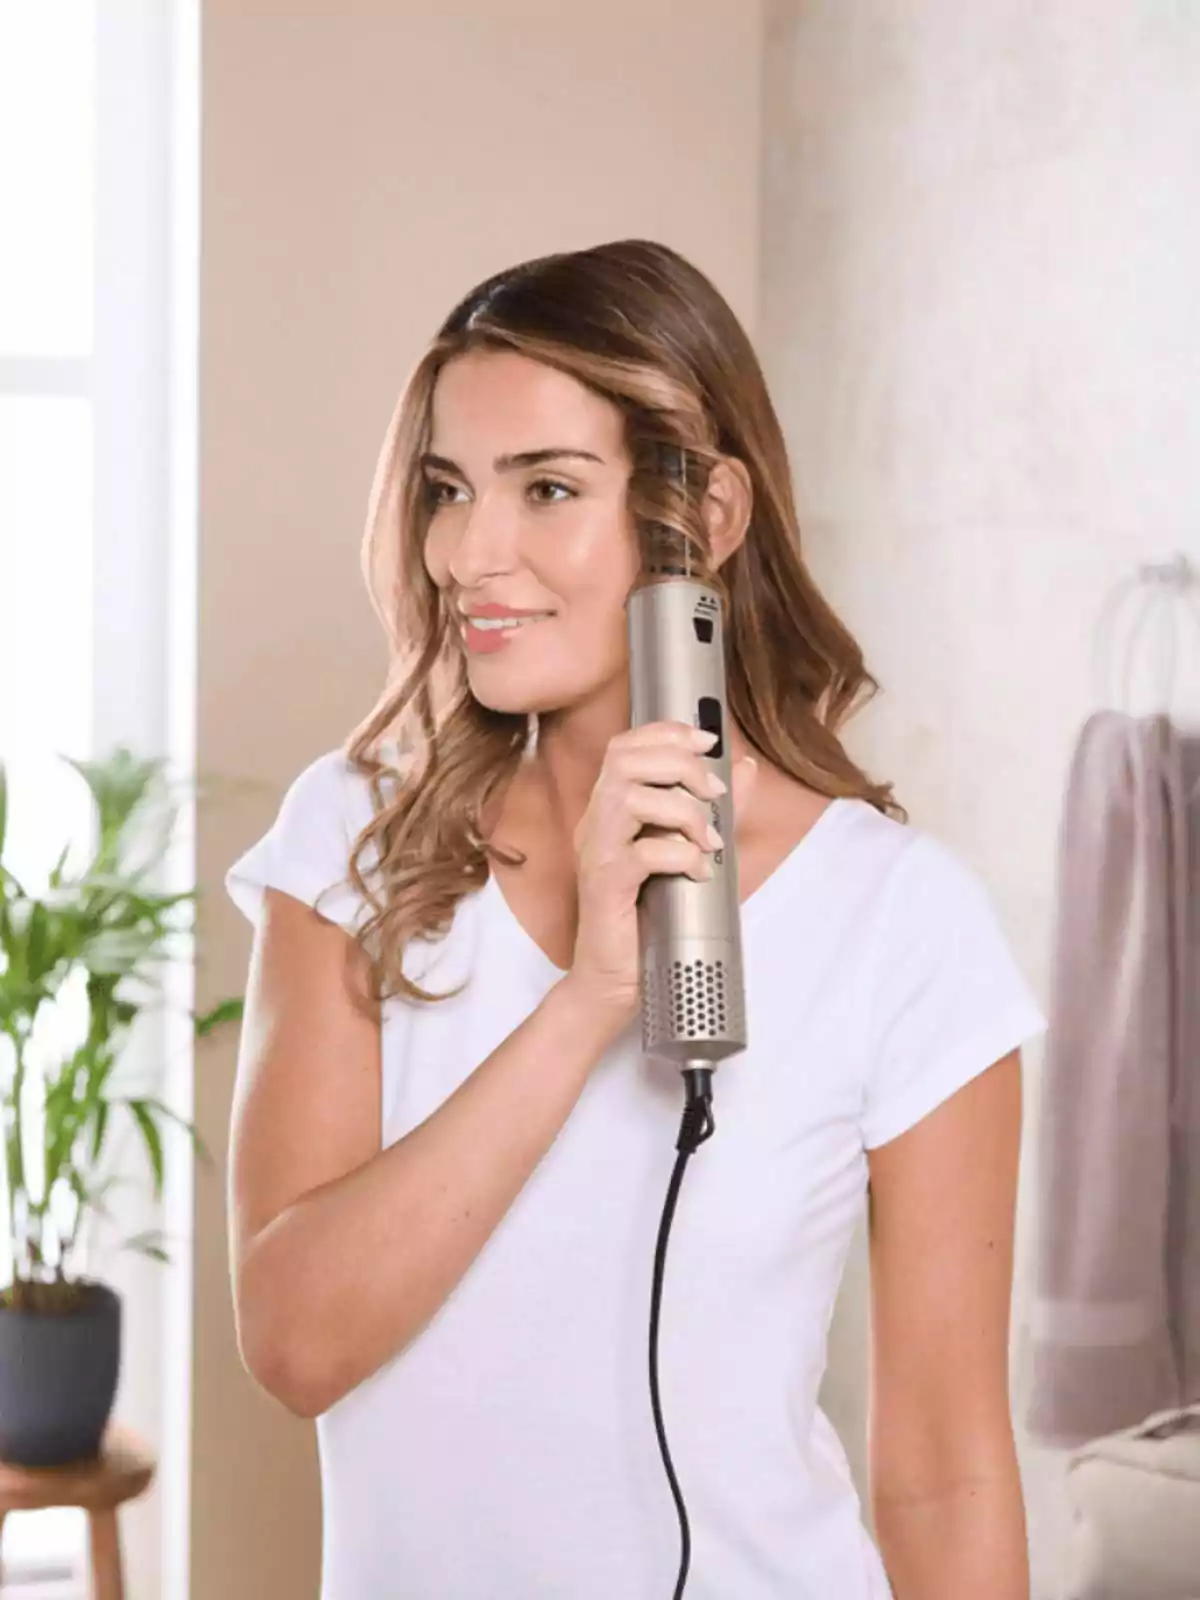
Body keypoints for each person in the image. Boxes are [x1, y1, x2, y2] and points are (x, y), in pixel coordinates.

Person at [225, 238, 1047, 1600]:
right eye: (446, 491)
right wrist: (589, 999)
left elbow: (948, 1469)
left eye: (546, 488)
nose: (470, 554)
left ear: (706, 514)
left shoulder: (904, 924)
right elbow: (297, 1345)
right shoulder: (355, 840)